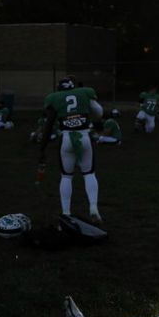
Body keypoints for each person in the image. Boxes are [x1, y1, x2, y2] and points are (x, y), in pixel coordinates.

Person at [39, 75, 103, 223]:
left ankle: (66, 213)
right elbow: (98, 112)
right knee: (89, 173)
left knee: (66, 176)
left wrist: (43, 148)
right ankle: (93, 208)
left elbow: (48, 125)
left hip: (66, 139)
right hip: (84, 136)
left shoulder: (54, 98)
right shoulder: (84, 93)